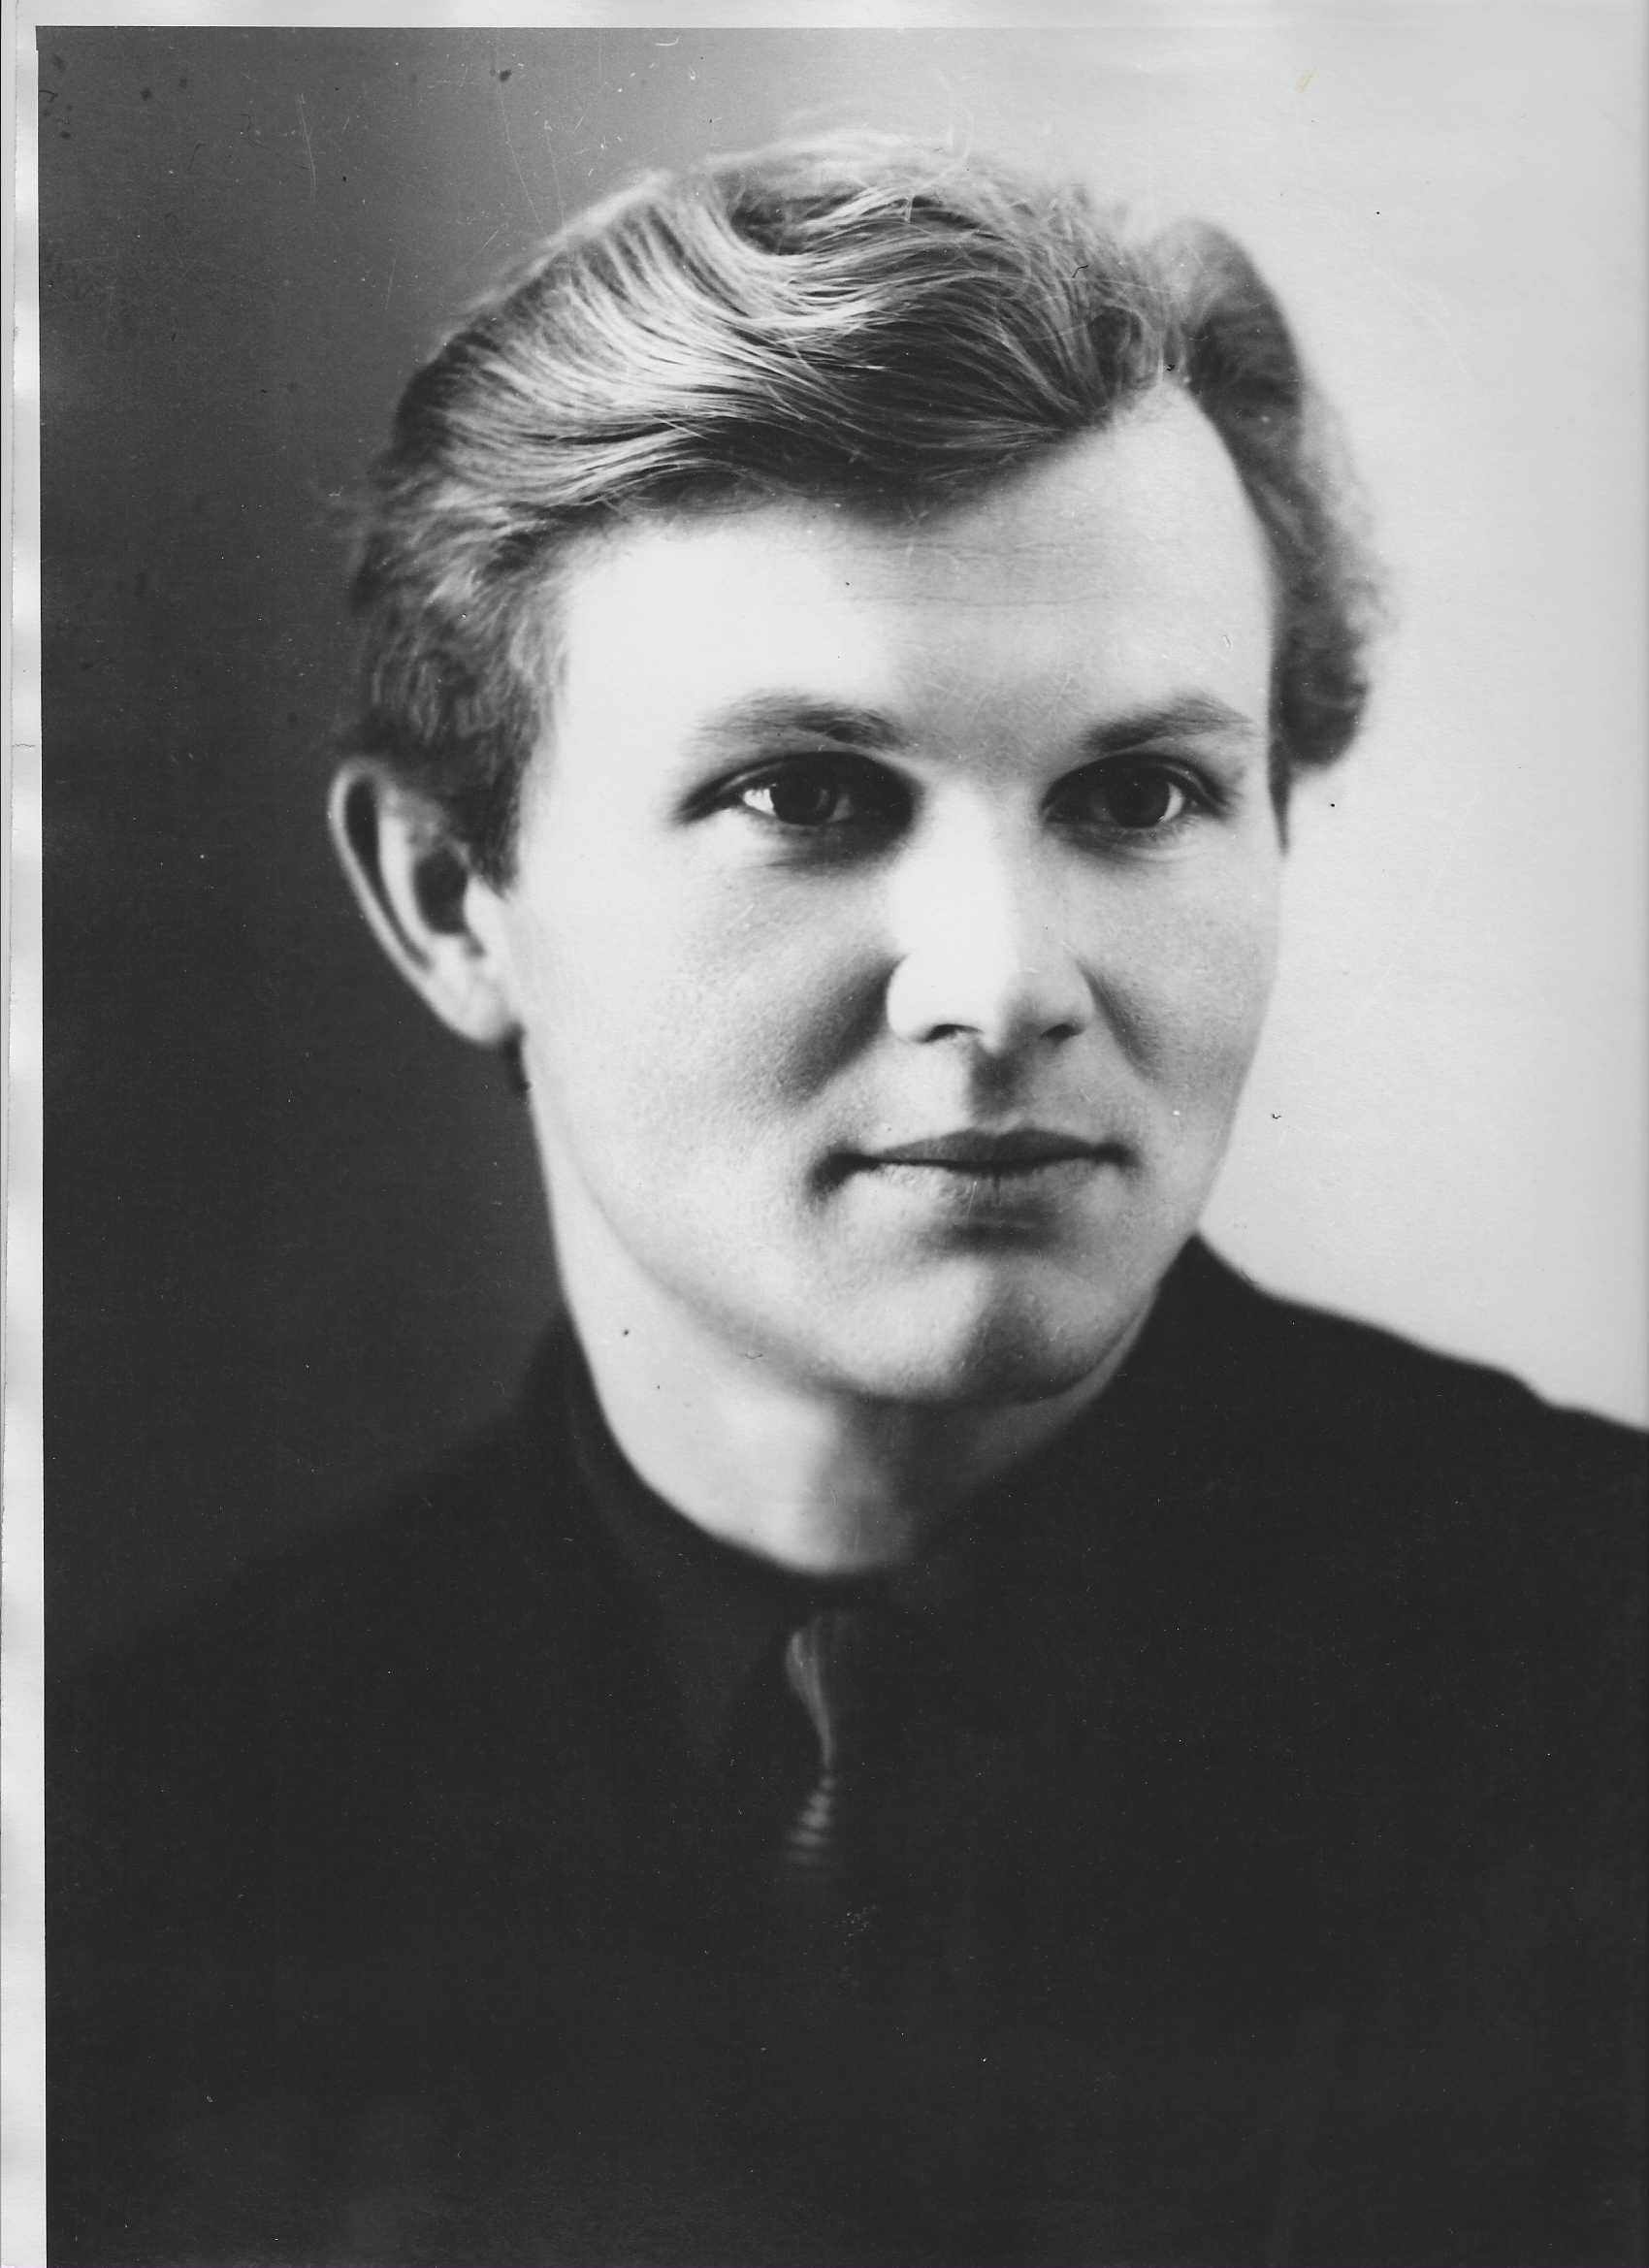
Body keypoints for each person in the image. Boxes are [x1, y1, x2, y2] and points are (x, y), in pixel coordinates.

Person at [49, 134, 1643, 2267]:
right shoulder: (126, 1854)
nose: (1004, 984)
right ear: (447, 895)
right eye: (805, 794)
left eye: (1140, 792)